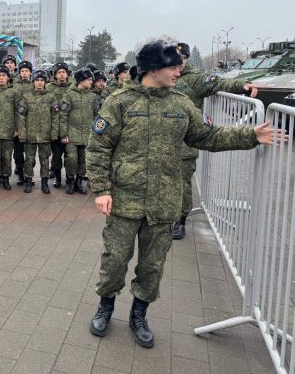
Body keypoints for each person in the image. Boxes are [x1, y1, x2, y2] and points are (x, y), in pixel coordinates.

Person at [86, 40, 275, 348]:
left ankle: (139, 315)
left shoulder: (181, 103)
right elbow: (98, 147)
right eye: (173, 66)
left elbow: (207, 136)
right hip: (124, 199)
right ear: (153, 69)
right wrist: (101, 190)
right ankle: (105, 307)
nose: (179, 70)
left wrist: (249, 135)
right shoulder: (120, 102)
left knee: (152, 265)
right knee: (115, 259)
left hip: (164, 201)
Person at [171, 42, 258, 240]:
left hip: (186, 142)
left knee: (183, 183)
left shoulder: (195, 79)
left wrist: (242, 86)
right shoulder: (165, 75)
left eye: (181, 59)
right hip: (165, 140)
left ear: (186, 59)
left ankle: (180, 220)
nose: (178, 64)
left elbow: (218, 82)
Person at [16, 70, 60, 194]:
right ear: (33, 81)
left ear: (45, 82)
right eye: (37, 80)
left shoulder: (51, 97)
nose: (39, 83)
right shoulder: (26, 96)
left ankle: (45, 183)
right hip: (30, 134)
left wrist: (54, 133)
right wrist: (22, 133)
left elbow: (56, 117)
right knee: (29, 159)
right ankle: (28, 181)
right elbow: (21, 116)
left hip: (45, 134)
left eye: (42, 80)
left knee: (45, 159)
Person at [60, 67, 97, 195]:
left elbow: (97, 116)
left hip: (88, 135)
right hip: (72, 134)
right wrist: (64, 134)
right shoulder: (69, 96)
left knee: (84, 160)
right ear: (81, 81)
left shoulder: (93, 97)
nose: (91, 82)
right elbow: (63, 116)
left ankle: (79, 182)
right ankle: (70, 181)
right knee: (71, 159)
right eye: (88, 80)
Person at [46, 62, 72, 188]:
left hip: (69, 127)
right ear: (55, 75)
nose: (61, 75)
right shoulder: (49, 88)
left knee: (70, 156)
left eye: (63, 72)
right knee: (56, 156)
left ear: (67, 74)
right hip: (54, 126)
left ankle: (69, 177)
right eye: (59, 72)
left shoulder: (73, 87)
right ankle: (57, 177)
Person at [12, 60, 33, 184]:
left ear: (30, 72)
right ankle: (20, 174)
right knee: (18, 153)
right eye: (22, 71)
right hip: (17, 122)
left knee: (30, 153)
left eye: (27, 71)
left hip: (31, 123)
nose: (24, 73)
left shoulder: (35, 84)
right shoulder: (13, 84)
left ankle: (28, 175)